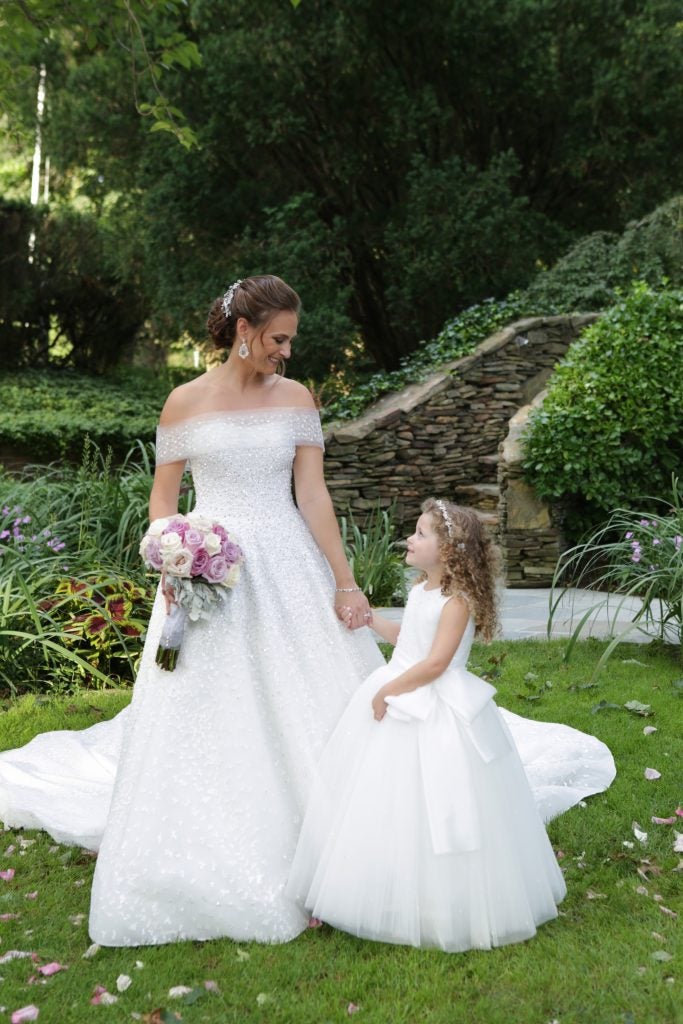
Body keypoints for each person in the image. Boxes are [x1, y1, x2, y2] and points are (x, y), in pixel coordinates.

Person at [0, 275, 385, 946]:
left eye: (290, 341)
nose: (285, 352)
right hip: (209, 573)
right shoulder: (183, 402)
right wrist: (172, 556)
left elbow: (312, 495)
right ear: (243, 331)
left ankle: (335, 826)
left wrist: (344, 582)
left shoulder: (296, 399)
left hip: (286, 565)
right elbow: (164, 499)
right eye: (278, 339)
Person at [286, 499, 616, 952]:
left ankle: (441, 895)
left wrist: (388, 691)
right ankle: (387, 880)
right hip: (405, 684)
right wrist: (370, 620)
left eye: (420, 534)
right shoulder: (421, 590)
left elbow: (437, 663)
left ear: (447, 551)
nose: (409, 538)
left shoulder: (457, 601)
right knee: (387, 796)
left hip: (430, 701)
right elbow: (409, 641)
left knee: (439, 796)